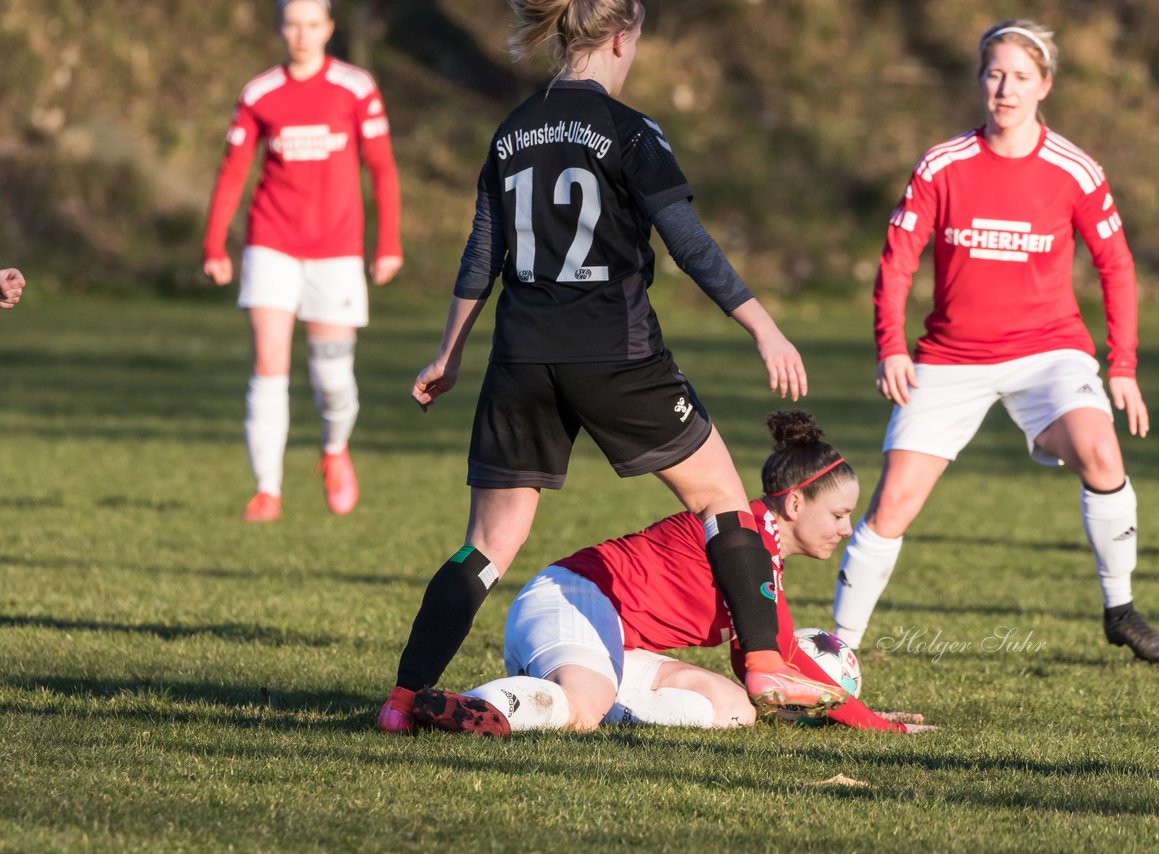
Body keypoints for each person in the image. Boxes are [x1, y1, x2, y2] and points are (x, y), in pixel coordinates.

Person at [378, 0, 841, 733]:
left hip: (521, 355)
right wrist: (763, 326)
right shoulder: (630, 131)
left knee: (489, 545)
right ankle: (762, 663)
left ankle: (402, 703)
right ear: (624, 38)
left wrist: (449, 351)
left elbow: (480, 255)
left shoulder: (512, 131)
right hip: (615, 354)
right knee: (721, 496)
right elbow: (689, 243)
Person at [832, 20, 1159, 664]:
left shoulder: (1073, 170)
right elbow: (898, 260)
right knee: (893, 504)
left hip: (1049, 353)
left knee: (1102, 454)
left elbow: (1117, 265)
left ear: (1044, 85)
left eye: (1020, 77)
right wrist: (891, 346)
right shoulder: (943, 164)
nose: (1005, 89)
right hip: (949, 358)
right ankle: (836, 649)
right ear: (980, 80)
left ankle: (1120, 609)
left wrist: (1121, 365)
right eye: (995, 74)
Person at [411, 411, 933, 736]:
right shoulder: (746, 537)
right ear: (795, 503)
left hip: (610, 642)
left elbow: (757, 668)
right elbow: (787, 655)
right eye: (840, 515)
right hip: (571, 601)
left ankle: (572, 702)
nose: (845, 530)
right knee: (585, 707)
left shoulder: (758, 551)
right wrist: (873, 723)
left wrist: (839, 710)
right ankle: (473, 706)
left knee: (731, 710)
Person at [202, 0, 402, 523]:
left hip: (337, 253)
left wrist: (388, 244)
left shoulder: (356, 88)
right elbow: (232, 171)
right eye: (292, 23)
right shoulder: (259, 94)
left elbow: (381, 169)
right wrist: (214, 245)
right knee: (269, 366)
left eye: (312, 24)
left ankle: (334, 451)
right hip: (270, 245)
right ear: (280, 27)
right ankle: (266, 490)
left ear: (328, 29)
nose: (302, 34)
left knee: (332, 377)